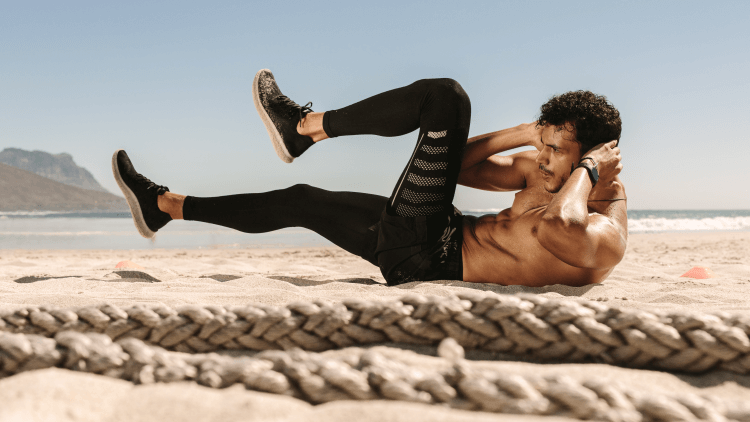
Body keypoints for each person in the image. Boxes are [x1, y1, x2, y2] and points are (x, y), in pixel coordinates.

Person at [112, 69, 626, 287]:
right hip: (427, 234)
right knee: (301, 199)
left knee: (445, 96)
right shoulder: (543, 172)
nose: (542, 158)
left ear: (599, 158)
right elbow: (460, 167)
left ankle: (305, 128)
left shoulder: (605, 234)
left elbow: (562, 227)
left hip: (429, 259)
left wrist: (585, 170)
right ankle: (165, 207)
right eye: (544, 146)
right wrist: (523, 133)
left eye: (555, 151)